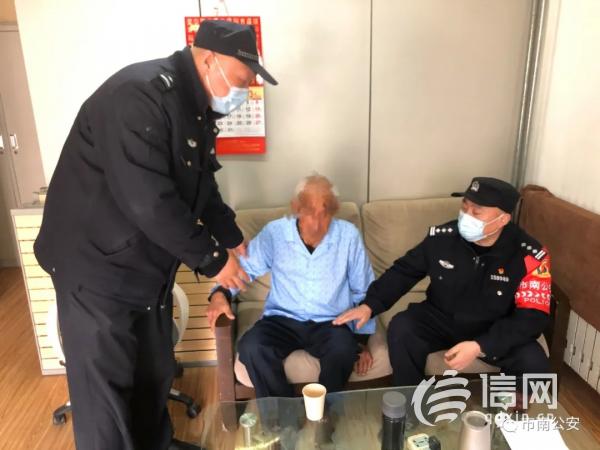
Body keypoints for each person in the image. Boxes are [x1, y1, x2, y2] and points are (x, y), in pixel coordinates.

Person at [34, 20, 277, 450]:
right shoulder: (138, 96)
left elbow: (201, 184)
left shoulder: (194, 108)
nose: (245, 91)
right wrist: (215, 260)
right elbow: (150, 202)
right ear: (209, 60)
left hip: (144, 267)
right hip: (96, 269)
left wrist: (230, 235)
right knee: (106, 395)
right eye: (243, 80)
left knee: (152, 371)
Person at [334, 177, 552, 385]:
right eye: (465, 206)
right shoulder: (442, 238)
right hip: (441, 319)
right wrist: (369, 305)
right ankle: (412, 400)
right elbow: (404, 272)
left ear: (503, 219)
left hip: (493, 327)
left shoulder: (531, 255)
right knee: (402, 328)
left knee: (534, 364)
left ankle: (508, 408)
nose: (467, 215)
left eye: (477, 211)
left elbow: (533, 316)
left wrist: (481, 345)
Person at [206, 175, 377, 398]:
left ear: (334, 211)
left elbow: (364, 289)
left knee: (344, 349)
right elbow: (244, 270)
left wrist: (361, 342)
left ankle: (323, 414)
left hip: (332, 322)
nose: (317, 222)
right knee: (252, 347)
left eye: (324, 212)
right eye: (310, 211)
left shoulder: (348, 236)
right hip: (282, 320)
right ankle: (282, 414)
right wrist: (220, 294)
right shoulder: (275, 233)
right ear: (296, 208)